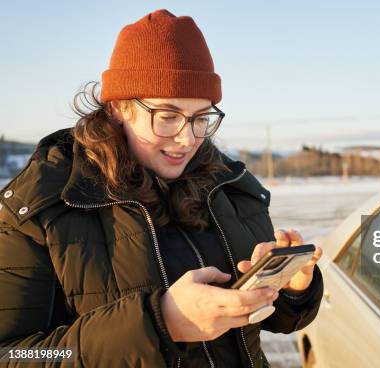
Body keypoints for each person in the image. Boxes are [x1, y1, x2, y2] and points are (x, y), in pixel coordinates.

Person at [0, 9, 323, 368]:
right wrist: (159, 325)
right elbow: (14, 355)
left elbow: (271, 320)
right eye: (167, 116)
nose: (187, 139)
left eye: (201, 118)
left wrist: (291, 289)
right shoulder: (40, 206)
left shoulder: (230, 188)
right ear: (118, 107)